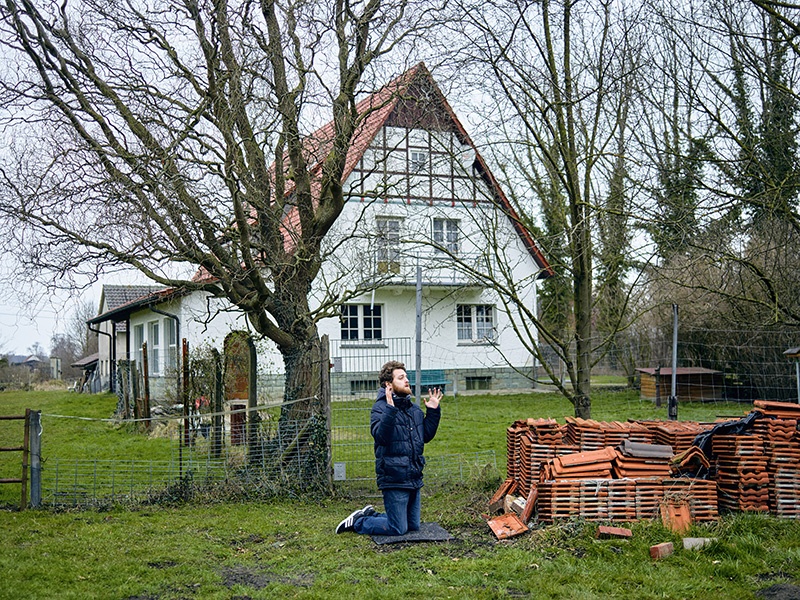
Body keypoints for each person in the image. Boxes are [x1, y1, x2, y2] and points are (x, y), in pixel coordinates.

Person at [336, 360, 442, 535]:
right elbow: (381, 437)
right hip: (394, 476)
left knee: (412, 526)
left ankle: (372, 514)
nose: (407, 380)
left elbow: (425, 437)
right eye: (401, 378)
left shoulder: (413, 410)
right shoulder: (380, 408)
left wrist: (432, 411)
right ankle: (359, 521)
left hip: (413, 476)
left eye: (406, 377)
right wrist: (390, 410)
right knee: (398, 528)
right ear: (388, 385)